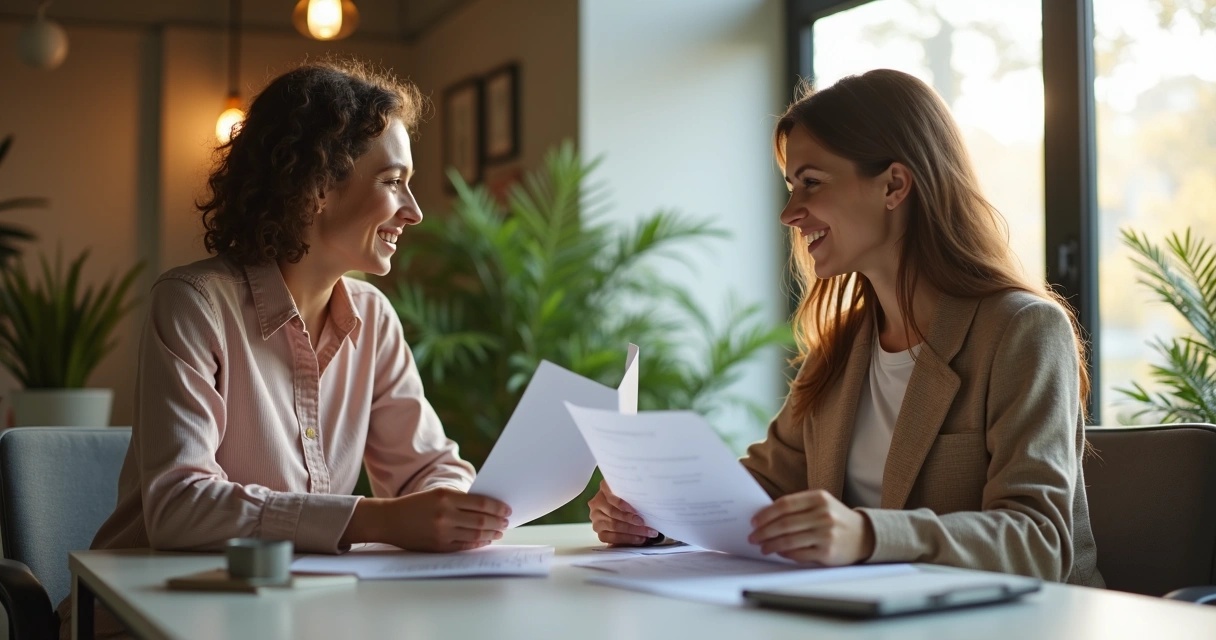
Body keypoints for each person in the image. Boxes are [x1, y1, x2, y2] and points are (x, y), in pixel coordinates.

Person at [588, 69, 1103, 587]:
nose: (790, 213)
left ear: (894, 185)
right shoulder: (842, 348)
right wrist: (655, 516)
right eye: (791, 188)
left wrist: (869, 535)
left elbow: (1041, 540)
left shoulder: (1022, 331)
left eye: (811, 183)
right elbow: (763, 488)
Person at [59, 58, 511, 637]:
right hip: (145, 615)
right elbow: (178, 506)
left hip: (292, 613)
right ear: (318, 185)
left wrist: (454, 508)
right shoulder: (194, 304)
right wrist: (374, 518)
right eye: (393, 181)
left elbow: (427, 467)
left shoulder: (373, 318)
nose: (414, 211)